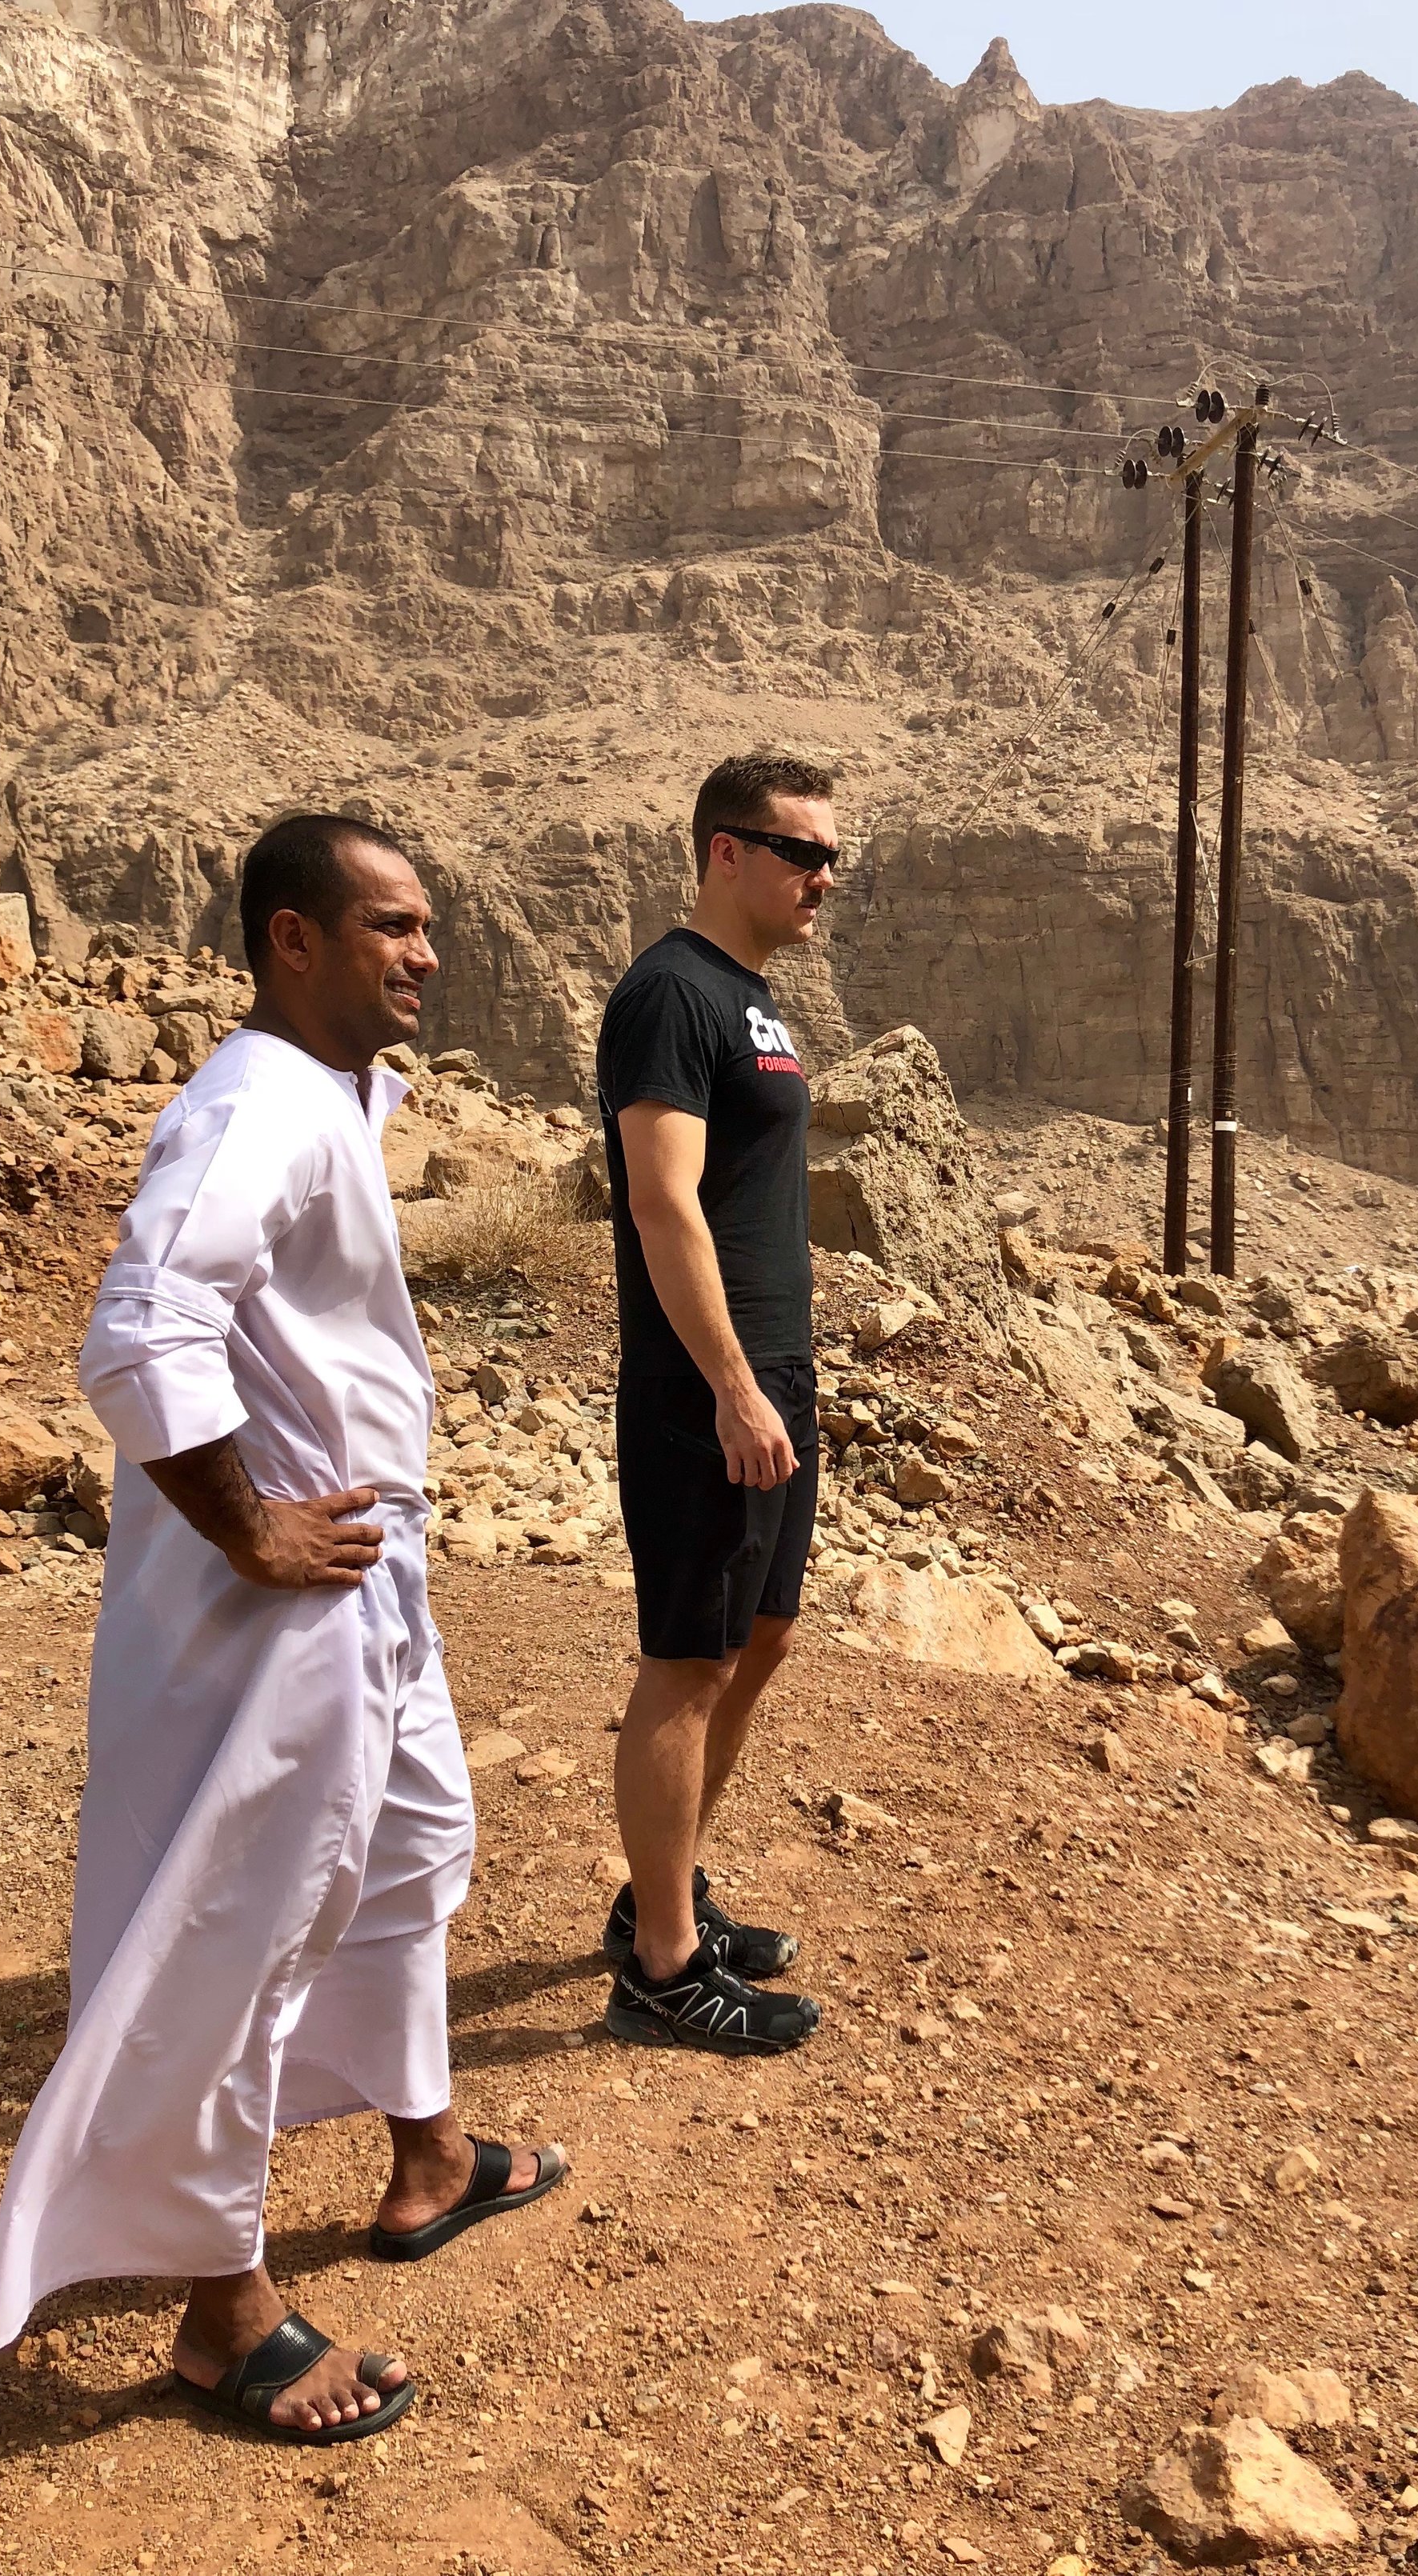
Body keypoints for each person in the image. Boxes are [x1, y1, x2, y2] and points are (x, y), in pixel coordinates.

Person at [0, 815, 566, 2443]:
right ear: (291, 940)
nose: (425, 952)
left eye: (428, 922)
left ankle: (426, 2152)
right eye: (390, 926)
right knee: (248, 1924)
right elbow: (142, 1321)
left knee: (413, 1845)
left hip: (367, 1579)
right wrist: (248, 1521)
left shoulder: (327, 1091)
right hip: (275, 1610)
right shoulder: (247, 1110)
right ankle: (222, 2314)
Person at [594, 753, 839, 2058]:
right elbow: (661, 1198)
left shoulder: (754, 1002)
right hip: (706, 1385)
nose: (822, 877)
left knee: (765, 1638)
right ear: (721, 853)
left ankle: (663, 1892)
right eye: (799, 850)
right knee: (688, 1662)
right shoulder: (670, 994)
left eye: (833, 857)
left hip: (775, 1371)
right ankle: (662, 1967)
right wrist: (734, 1384)